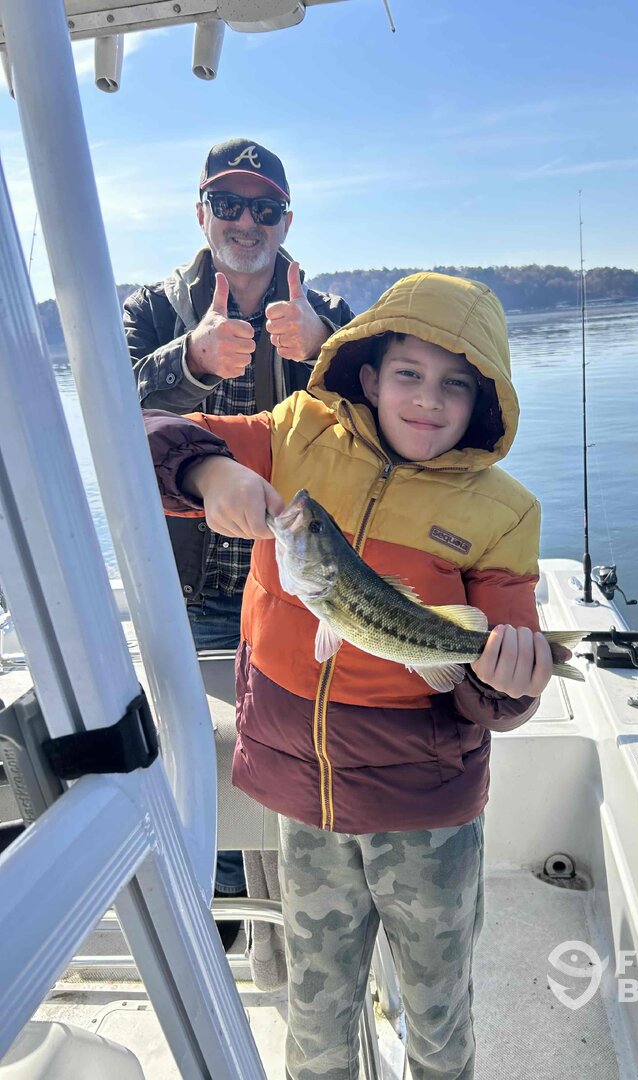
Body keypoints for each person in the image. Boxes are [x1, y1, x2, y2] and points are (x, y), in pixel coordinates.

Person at [145, 272, 569, 1079]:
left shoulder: (504, 510)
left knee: (438, 1009)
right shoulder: (296, 432)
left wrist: (508, 683)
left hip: (426, 807)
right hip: (306, 796)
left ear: (483, 402)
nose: (427, 400)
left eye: (455, 385)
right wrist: (209, 474)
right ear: (368, 377)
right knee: (315, 1008)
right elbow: (142, 435)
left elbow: (490, 698)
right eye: (408, 373)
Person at [124, 137, 354, 945]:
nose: (246, 221)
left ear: (287, 220)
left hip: (299, 585)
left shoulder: (331, 315)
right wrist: (187, 360)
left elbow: (382, 427)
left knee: (296, 751)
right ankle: (219, 917)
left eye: (264, 207)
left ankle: (297, 919)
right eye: (228, 203)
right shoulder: (152, 311)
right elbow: (107, 408)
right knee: (196, 758)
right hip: (185, 588)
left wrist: (324, 351)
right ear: (201, 213)